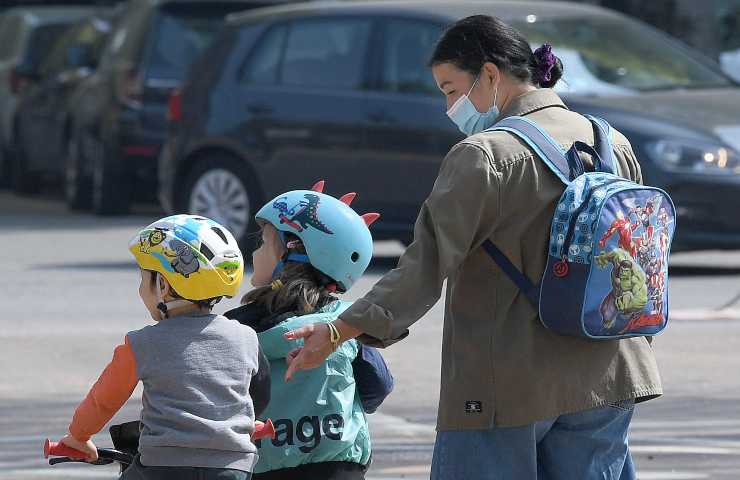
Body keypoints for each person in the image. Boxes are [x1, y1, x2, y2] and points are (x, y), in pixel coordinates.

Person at [282, 15, 662, 480]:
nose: (450, 107)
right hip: (612, 369)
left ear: (490, 74)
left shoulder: (485, 155)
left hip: (507, 382)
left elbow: (424, 266)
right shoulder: (611, 140)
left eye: (450, 89)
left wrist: (341, 329)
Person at [57, 214, 269, 480]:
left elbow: (103, 400)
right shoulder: (246, 337)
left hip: (163, 466)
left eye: (144, 278)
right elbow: (260, 392)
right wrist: (247, 422)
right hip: (233, 467)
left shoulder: (141, 343)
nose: (140, 288)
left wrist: (79, 435)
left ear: (163, 286)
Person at [226, 183, 392, 480]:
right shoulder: (345, 324)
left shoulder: (238, 328)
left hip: (266, 466)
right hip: (340, 467)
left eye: (263, 243)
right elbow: (378, 386)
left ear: (294, 250)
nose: (255, 251)